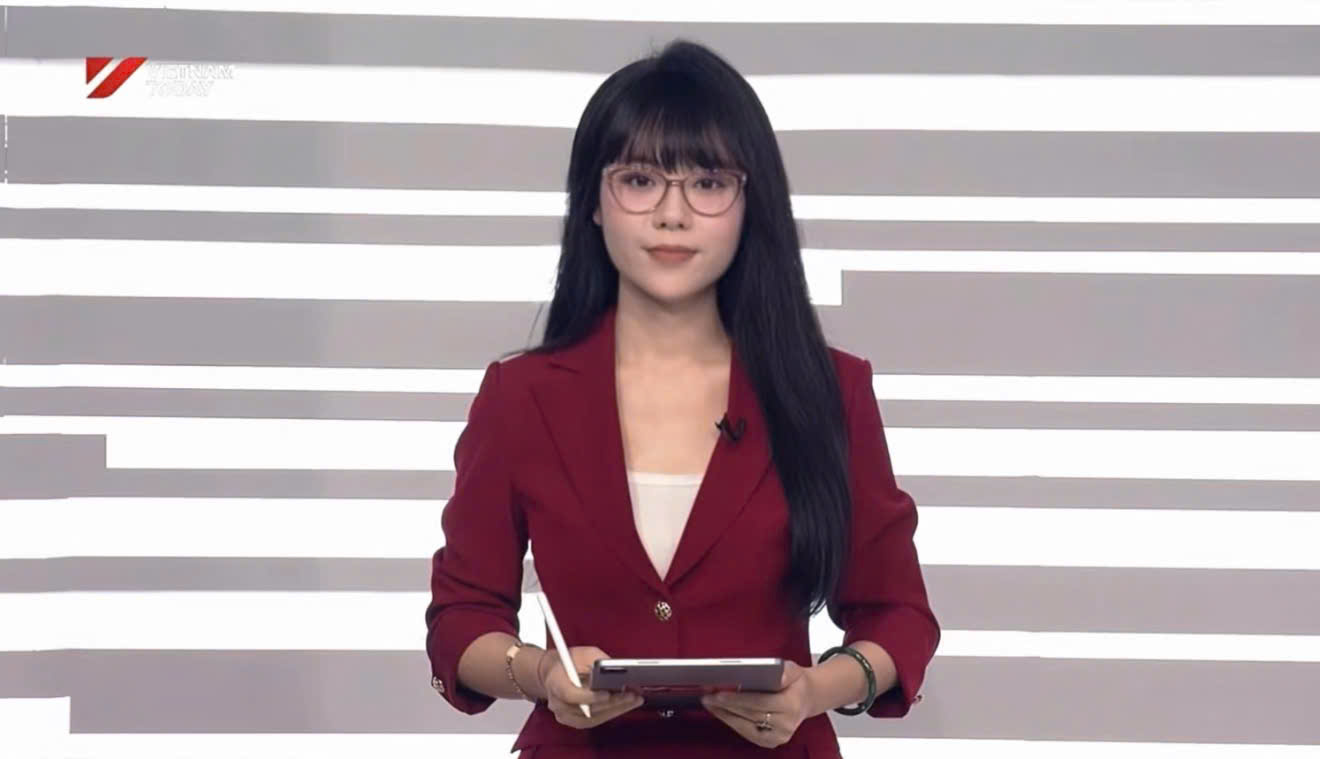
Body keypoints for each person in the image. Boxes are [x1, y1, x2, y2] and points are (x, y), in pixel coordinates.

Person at [424, 39, 940, 758]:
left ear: (749, 204)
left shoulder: (830, 391)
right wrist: (542, 673)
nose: (673, 214)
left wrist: (814, 691)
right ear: (593, 202)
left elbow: (897, 615)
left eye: (707, 183)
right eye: (639, 180)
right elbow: (461, 617)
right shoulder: (521, 396)